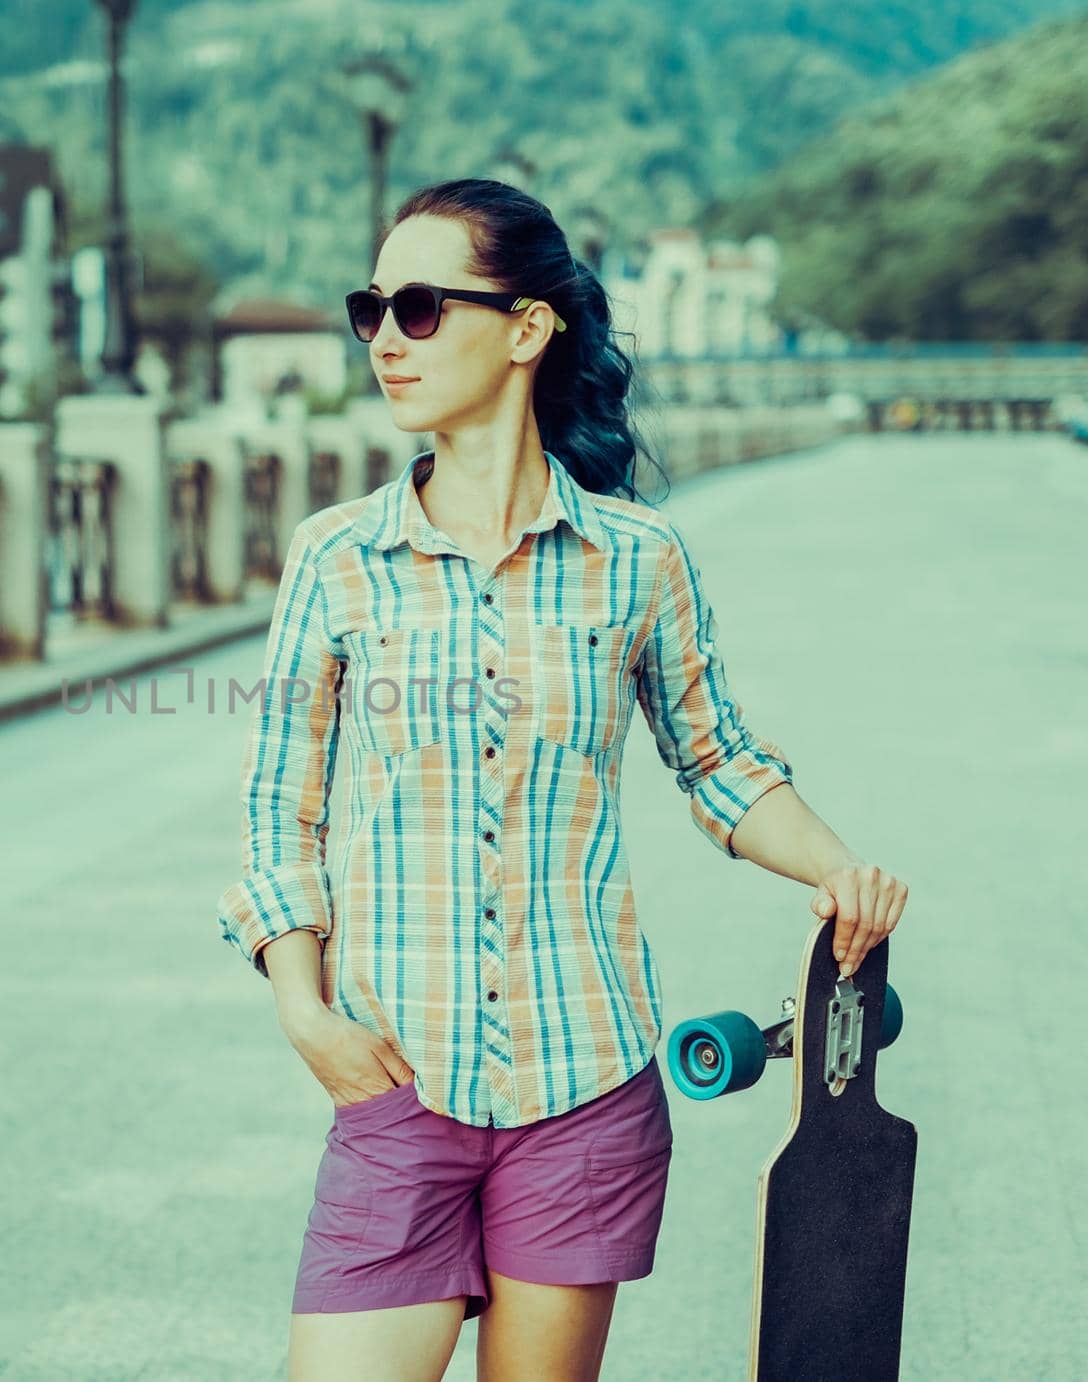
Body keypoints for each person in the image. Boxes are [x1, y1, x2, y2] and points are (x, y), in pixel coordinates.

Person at [213, 178, 909, 1382]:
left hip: (583, 1090)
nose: (384, 336)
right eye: (369, 306)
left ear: (528, 328)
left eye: (421, 306)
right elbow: (282, 806)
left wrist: (839, 867)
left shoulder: (637, 559)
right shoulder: (335, 558)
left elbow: (718, 759)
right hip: (393, 1085)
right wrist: (304, 1014)